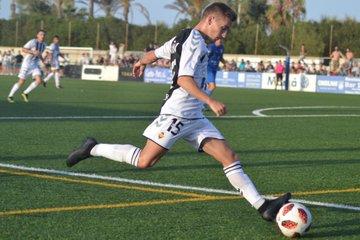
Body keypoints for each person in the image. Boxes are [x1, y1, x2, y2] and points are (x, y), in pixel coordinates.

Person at [66, 2, 290, 222]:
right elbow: (183, 79)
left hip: (195, 116)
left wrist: (141, 62)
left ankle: (263, 207)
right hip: (177, 114)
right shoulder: (193, 42)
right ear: (210, 19)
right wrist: (209, 100)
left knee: (229, 157)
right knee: (144, 161)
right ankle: (92, 148)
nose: (225, 34)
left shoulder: (183, 37)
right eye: (223, 28)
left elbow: (156, 53)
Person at [7, 30, 47, 103]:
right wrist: (32, 52)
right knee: (21, 82)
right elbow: (23, 49)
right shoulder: (33, 42)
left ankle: (25, 93)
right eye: (41, 34)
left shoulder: (44, 45)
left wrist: (42, 60)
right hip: (27, 64)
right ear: (37, 35)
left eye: (44, 35)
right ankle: (10, 96)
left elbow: (39, 54)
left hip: (34, 65)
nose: (42, 36)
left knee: (39, 80)